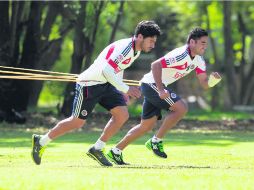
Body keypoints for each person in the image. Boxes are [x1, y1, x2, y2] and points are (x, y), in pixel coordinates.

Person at [31, 20, 161, 166]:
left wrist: (120, 87)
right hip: (89, 84)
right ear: (140, 37)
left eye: (154, 42)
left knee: (122, 114)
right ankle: (41, 141)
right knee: (77, 122)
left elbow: (117, 68)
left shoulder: (135, 50)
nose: (152, 45)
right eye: (151, 41)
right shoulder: (126, 48)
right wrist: (126, 88)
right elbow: (107, 70)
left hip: (105, 83)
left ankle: (97, 149)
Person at [107, 27, 222, 165]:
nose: (205, 46)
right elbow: (155, 65)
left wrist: (213, 80)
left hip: (152, 86)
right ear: (192, 42)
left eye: (206, 43)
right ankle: (156, 141)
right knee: (181, 108)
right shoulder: (181, 54)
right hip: (152, 85)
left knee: (146, 126)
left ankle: (116, 151)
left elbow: (204, 84)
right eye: (203, 43)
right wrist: (161, 90)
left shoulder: (199, 59)